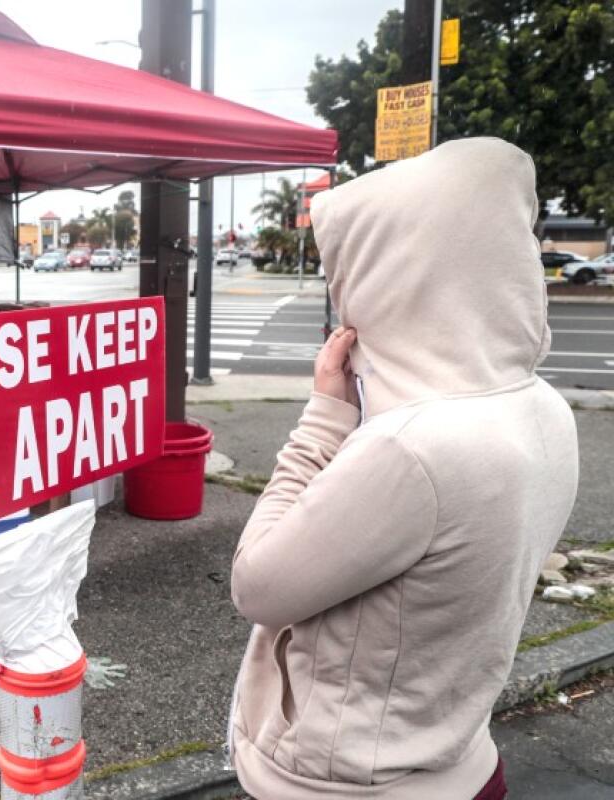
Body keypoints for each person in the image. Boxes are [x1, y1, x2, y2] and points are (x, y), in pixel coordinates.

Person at [227, 139, 578, 800]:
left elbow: (256, 585)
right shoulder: (545, 410)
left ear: (390, 276)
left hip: (347, 783)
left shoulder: (413, 449)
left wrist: (324, 418)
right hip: (464, 756)